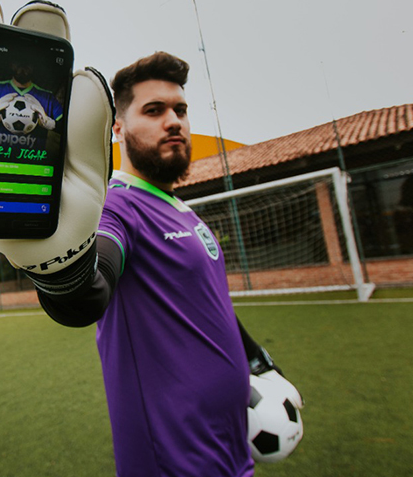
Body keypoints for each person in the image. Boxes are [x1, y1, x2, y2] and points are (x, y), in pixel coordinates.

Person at [32, 51, 256, 477]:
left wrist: (260, 362)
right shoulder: (117, 208)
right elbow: (88, 293)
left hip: (230, 447)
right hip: (174, 459)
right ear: (117, 127)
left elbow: (212, 306)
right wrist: (59, 273)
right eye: (153, 110)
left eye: (181, 110)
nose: (173, 121)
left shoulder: (179, 207)